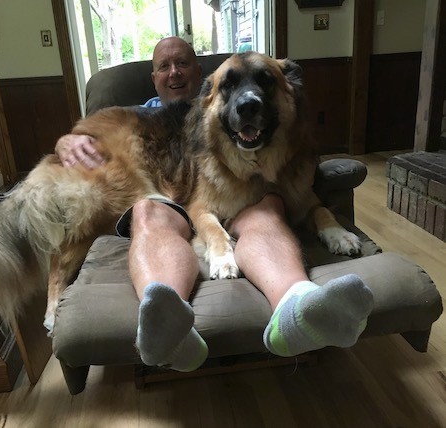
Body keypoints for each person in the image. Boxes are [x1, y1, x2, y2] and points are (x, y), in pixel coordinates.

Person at [55, 37, 373, 372]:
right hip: (167, 196)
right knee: (147, 212)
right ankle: (167, 323)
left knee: (266, 212)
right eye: (164, 66)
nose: (174, 73)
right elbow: (97, 135)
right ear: (154, 78)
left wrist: (320, 215)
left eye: (182, 63)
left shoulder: (230, 114)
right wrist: (66, 140)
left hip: (239, 197)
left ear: (199, 72)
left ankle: (296, 307)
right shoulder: (139, 114)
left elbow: (298, 167)